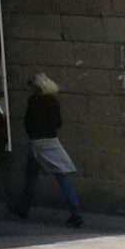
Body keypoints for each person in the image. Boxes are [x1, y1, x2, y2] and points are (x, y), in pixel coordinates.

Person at [12, 72, 83, 226]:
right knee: (62, 176)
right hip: (52, 140)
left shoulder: (34, 101)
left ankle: (23, 209)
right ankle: (75, 211)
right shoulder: (54, 101)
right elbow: (58, 123)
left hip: (37, 142)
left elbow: (28, 122)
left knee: (31, 178)